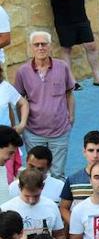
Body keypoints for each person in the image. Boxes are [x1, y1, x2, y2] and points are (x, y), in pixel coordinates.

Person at [13, 32, 75, 178]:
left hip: (60, 130)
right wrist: (22, 122)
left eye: (44, 44)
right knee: (35, 173)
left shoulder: (62, 67)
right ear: (31, 48)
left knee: (57, 173)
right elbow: (19, 100)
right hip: (33, 132)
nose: (40, 47)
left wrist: (71, 116)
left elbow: (69, 93)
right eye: (37, 44)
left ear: (50, 46)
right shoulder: (22, 72)